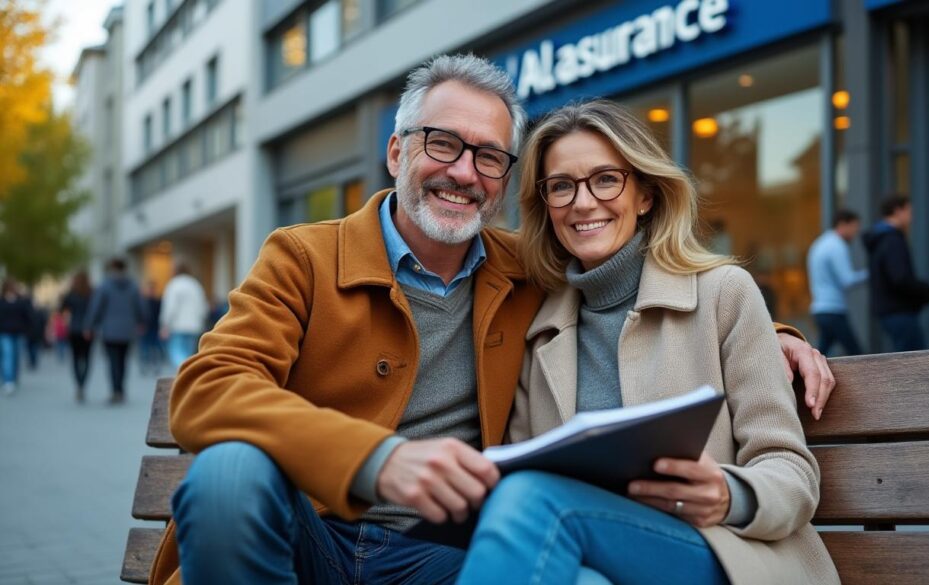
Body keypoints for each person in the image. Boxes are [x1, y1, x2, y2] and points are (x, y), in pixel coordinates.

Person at [154, 54, 835, 585]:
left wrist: (774, 335)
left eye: (487, 156)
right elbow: (206, 388)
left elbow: (646, 290)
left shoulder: (525, 273)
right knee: (228, 471)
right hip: (312, 532)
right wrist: (375, 460)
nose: (463, 171)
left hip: (440, 553)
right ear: (397, 153)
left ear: (505, 181)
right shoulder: (303, 256)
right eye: (442, 143)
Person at [457, 100, 839, 584]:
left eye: (606, 179)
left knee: (533, 499)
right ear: (546, 206)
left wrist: (728, 492)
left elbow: (790, 469)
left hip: (722, 553)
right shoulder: (540, 332)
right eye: (561, 186)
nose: (582, 202)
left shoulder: (723, 292)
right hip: (598, 557)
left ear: (645, 195)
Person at [863, 195, 929, 351]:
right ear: (897, 211)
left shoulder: (881, 238)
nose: (911, 217)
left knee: (907, 358)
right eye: (909, 211)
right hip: (899, 310)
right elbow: (900, 278)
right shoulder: (892, 240)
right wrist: (925, 292)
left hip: (890, 310)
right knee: (914, 360)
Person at [84, 258, 148, 404]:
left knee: (113, 361)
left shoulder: (105, 286)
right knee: (123, 360)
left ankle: (115, 391)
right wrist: (142, 322)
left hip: (109, 330)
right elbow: (141, 306)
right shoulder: (133, 286)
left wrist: (90, 325)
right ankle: (121, 389)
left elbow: (96, 307)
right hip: (127, 330)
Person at [807, 209, 868, 355]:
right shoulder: (837, 246)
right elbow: (847, 279)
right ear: (842, 224)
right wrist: (872, 273)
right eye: (854, 227)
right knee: (858, 355)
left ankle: (804, 377)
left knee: (820, 354)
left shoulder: (820, 243)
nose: (855, 233)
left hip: (820, 309)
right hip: (833, 310)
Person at [159, 262, 209, 370]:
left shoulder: (174, 285)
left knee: (176, 352)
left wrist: (165, 325)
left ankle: (185, 372)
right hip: (194, 326)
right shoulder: (196, 285)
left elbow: (170, 308)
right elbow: (203, 307)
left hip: (178, 326)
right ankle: (188, 374)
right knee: (188, 354)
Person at [61, 271, 94, 402]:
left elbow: (62, 310)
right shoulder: (91, 293)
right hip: (88, 330)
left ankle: (78, 384)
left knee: (75, 359)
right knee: (86, 358)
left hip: (73, 330)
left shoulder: (70, 294)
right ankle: (82, 384)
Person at [0, 279, 32, 395]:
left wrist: (27, 329)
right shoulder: (2, 301)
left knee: (16, 357)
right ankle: (8, 380)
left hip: (18, 332)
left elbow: (27, 316)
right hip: (4, 332)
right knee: (7, 356)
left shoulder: (21, 301)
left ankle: (13, 377)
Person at [139, 279, 164, 374]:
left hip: (155, 328)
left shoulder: (158, 301)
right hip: (145, 328)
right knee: (144, 348)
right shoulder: (142, 301)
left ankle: (155, 366)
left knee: (155, 349)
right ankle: (144, 366)